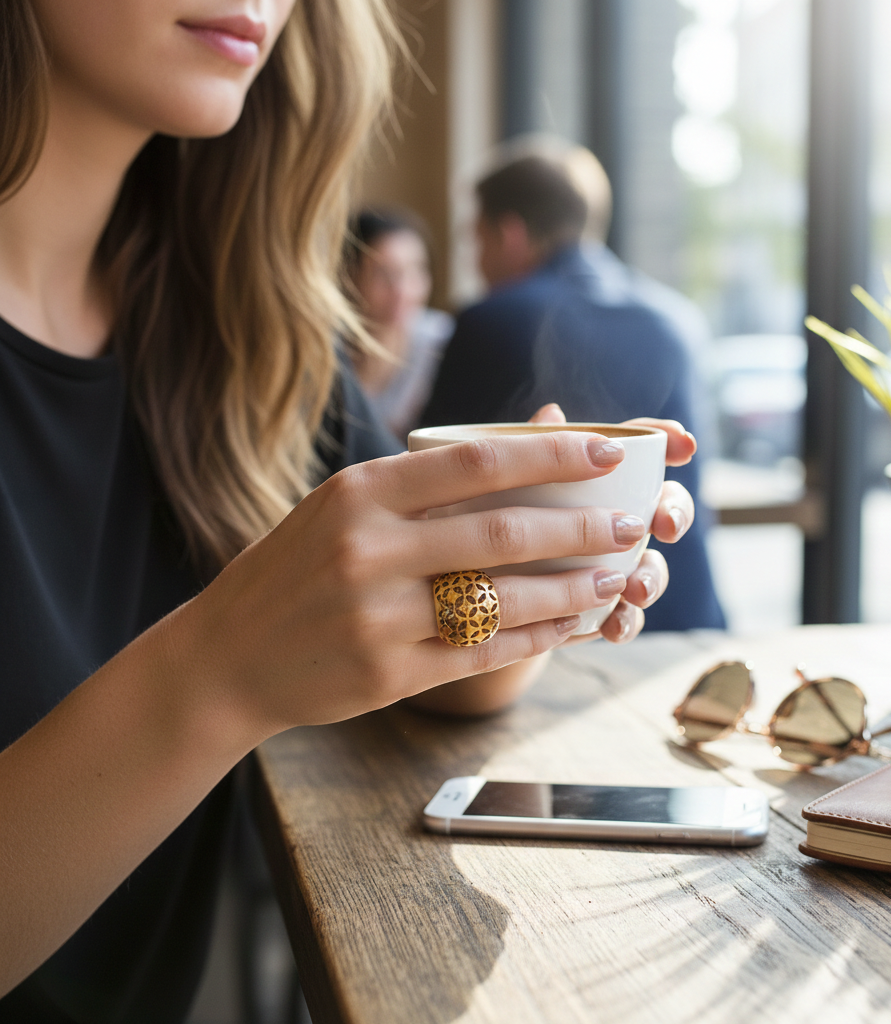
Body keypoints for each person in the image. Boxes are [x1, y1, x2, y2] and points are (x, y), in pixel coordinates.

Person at [0, 2, 701, 1019]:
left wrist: (533, 570)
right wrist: (222, 669)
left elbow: (427, 671)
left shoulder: (251, 332)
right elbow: (251, 659)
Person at [420, 140, 726, 632]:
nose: (477, 261)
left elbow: (427, 488)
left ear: (510, 234)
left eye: (477, 241)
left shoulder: (490, 321)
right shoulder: (677, 321)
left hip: (543, 626)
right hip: (685, 616)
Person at [345, 207, 454, 439]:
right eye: (383, 274)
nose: (402, 290)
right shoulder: (330, 348)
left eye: (416, 270)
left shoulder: (443, 342)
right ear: (349, 276)